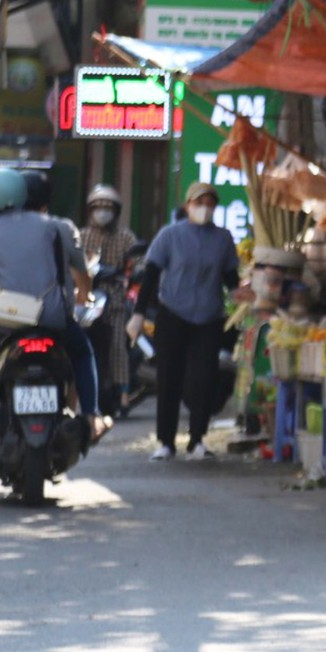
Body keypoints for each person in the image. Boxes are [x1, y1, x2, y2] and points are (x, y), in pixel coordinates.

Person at [0, 167, 107, 446]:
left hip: (6, 321)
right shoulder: (60, 227)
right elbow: (83, 275)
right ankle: (92, 416)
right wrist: (83, 296)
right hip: (53, 319)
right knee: (82, 352)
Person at [129, 182, 238, 461]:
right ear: (188, 204)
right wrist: (138, 315)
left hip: (209, 317)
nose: (205, 208)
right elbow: (151, 275)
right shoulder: (170, 235)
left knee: (204, 378)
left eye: (210, 203)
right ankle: (165, 441)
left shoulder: (223, 239)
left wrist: (244, 294)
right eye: (199, 202)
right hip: (172, 313)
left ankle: (197, 440)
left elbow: (230, 279)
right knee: (169, 378)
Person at [78, 185, 138, 418]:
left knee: (117, 346)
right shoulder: (81, 236)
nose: (103, 212)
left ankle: (123, 396)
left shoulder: (125, 237)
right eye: (98, 208)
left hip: (113, 299)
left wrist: (127, 274)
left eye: (108, 208)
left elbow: (138, 260)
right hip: (85, 297)